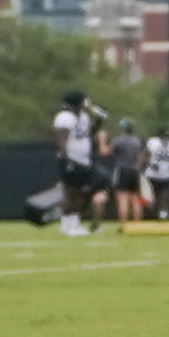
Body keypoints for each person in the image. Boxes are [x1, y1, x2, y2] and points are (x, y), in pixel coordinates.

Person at [51, 91, 98, 234]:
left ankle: (74, 222)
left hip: (83, 160)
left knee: (80, 192)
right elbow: (61, 139)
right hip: (71, 159)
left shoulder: (83, 117)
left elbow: (88, 134)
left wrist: (99, 121)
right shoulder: (64, 117)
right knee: (70, 192)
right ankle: (67, 224)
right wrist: (66, 158)